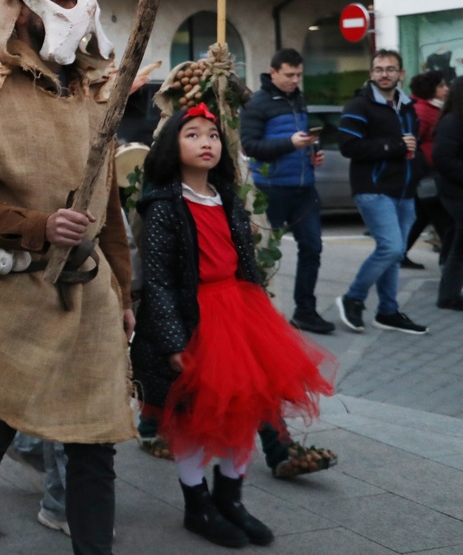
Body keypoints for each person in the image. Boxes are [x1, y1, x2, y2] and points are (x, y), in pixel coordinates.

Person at [0, 0, 134, 555]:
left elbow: (112, 211)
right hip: (18, 293)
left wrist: (125, 292)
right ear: (20, 13)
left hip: (90, 296)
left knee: (95, 443)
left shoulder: (98, 99)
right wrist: (40, 225)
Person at [132, 105, 333, 548]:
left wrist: (262, 312)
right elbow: (160, 281)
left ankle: (231, 499)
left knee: (244, 409)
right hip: (194, 318)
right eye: (193, 134)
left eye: (213, 135)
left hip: (239, 314)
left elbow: (244, 263)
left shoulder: (227, 197)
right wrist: (172, 340)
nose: (207, 142)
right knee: (190, 421)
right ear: (173, 146)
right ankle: (197, 505)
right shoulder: (164, 205)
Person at [240, 48, 334, 334]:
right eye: (290, 75)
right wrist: (290, 144)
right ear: (274, 72)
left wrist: (313, 152)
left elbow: (302, 138)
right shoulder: (257, 104)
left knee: (313, 249)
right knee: (264, 253)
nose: (295, 80)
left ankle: (305, 311)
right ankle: (261, 315)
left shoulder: (299, 100)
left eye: (299, 75)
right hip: (271, 189)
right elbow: (250, 147)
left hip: (304, 189)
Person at [336, 50, 428, 335]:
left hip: (404, 190)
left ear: (401, 73)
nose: (384, 74)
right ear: (371, 73)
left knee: (394, 254)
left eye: (390, 69)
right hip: (373, 189)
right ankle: (353, 297)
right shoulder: (360, 105)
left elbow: (414, 145)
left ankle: (387, 311)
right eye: (378, 69)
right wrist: (394, 146)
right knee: (391, 247)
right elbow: (348, 146)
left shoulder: (407, 105)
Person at [402, 69, 452, 269]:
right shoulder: (422, 111)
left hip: (429, 174)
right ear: (430, 89)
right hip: (427, 174)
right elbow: (414, 142)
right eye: (441, 85)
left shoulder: (433, 108)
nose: (446, 89)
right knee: (445, 221)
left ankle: (399, 254)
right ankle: (449, 263)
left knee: (422, 217)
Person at [431, 77, 463, 310]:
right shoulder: (452, 122)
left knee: (458, 243)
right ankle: (448, 295)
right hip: (455, 193)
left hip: (456, 191)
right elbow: (444, 160)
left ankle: (449, 294)